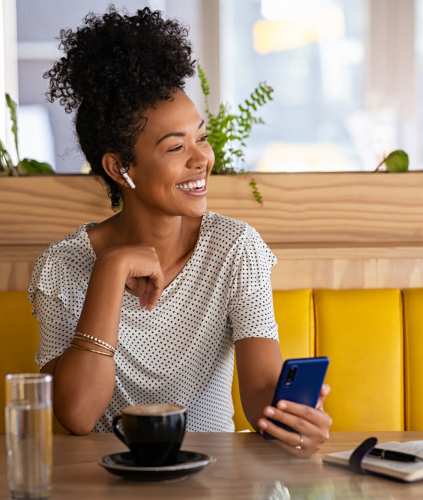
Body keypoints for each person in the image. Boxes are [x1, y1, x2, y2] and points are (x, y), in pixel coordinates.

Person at [29, 7, 331, 457]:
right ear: (119, 167)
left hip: (210, 478)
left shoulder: (234, 247)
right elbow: (76, 415)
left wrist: (289, 416)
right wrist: (110, 271)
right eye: (175, 147)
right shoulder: (61, 265)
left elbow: (259, 392)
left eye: (200, 137)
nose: (201, 158)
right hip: (104, 482)